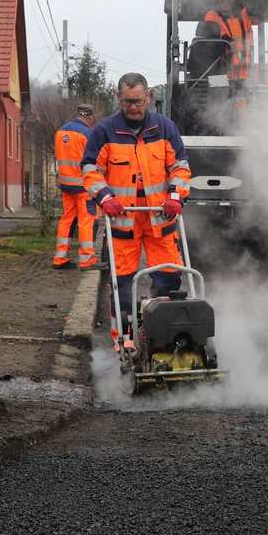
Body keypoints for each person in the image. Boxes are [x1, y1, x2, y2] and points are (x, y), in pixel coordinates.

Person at [82, 73, 191, 350]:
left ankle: (162, 333)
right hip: (122, 221)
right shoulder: (104, 132)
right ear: (119, 98)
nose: (133, 106)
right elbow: (91, 171)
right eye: (128, 101)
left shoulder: (165, 128)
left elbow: (180, 167)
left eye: (139, 101)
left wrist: (175, 197)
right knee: (123, 283)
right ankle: (125, 339)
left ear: (148, 98)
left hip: (160, 219)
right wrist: (106, 197)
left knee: (169, 278)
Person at [53, 104, 103, 270]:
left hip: (66, 185)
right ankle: (87, 259)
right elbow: (95, 160)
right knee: (87, 221)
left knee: (67, 219)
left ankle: (60, 258)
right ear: (91, 118)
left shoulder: (60, 133)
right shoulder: (88, 134)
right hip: (84, 186)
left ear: (76, 114)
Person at [203, 0, 253, 83]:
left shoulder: (242, 15)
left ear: (232, 1)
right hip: (220, 62)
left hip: (242, 62)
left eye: (227, 1)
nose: (224, 4)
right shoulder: (212, 15)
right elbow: (215, 31)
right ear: (218, 2)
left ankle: (240, 95)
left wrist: (250, 52)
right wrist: (230, 41)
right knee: (220, 92)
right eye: (222, 1)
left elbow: (249, 34)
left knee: (242, 92)